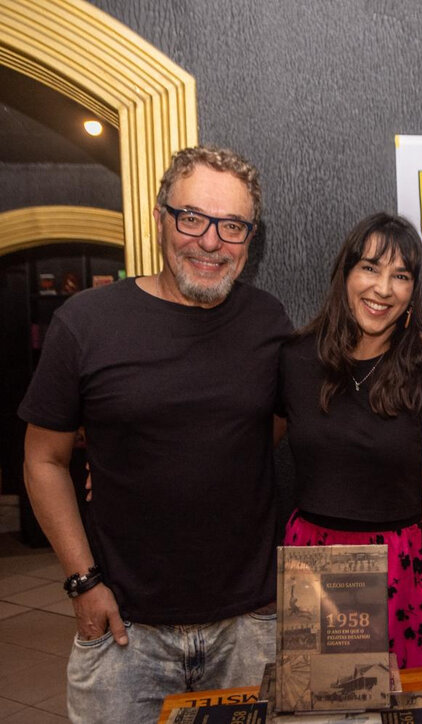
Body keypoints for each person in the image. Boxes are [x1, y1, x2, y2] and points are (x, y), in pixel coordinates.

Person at [18, 146, 292, 722]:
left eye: (232, 226)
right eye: (192, 218)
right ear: (160, 216)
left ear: (251, 236)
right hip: (124, 628)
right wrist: (83, 582)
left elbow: (273, 431)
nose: (211, 242)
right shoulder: (86, 322)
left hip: (250, 625)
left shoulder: (268, 321)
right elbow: (43, 461)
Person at [280, 212, 422, 668]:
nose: (383, 289)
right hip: (315, 559)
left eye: (400, 275)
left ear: (413, 291)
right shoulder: (294, 359)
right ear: (344, 274)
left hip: (403, 566)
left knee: (412, 706)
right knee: (326, 712)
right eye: (369, 268)